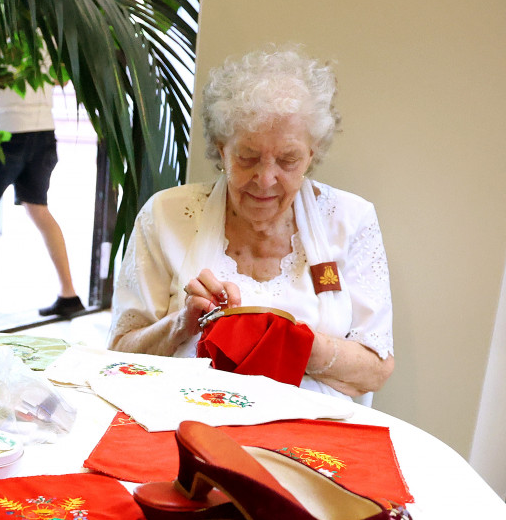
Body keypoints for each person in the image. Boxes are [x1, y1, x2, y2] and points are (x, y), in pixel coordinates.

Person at [109, 47, 393, 403]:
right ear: (220, 149)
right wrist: (182, 325)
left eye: (288, 159)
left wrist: (289, 342)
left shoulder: (350, 220)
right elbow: (119, 353)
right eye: (247, 157)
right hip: (186, 423)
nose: (265, 179)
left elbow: (374, 370)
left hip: (309, 440)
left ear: (312, 153)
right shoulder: (166, 215)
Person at [0, 81, 84, 319]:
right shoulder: (50, 40)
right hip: (43, 130)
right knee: (38, 209)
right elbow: (61, 78)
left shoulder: (7, 40)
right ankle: (69, 294)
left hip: (8, 127)